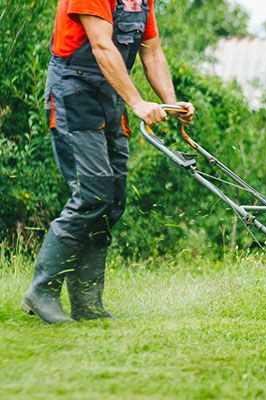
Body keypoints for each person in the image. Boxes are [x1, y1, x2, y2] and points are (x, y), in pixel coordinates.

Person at [22, 0, 194, 323]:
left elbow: (152, 52)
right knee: (92, 193)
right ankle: (41, 290)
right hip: (73, 92)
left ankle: (87, 302)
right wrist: (138, 102)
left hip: (110, 95)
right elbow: (101, 46)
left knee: (113, 197)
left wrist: (173, 106)